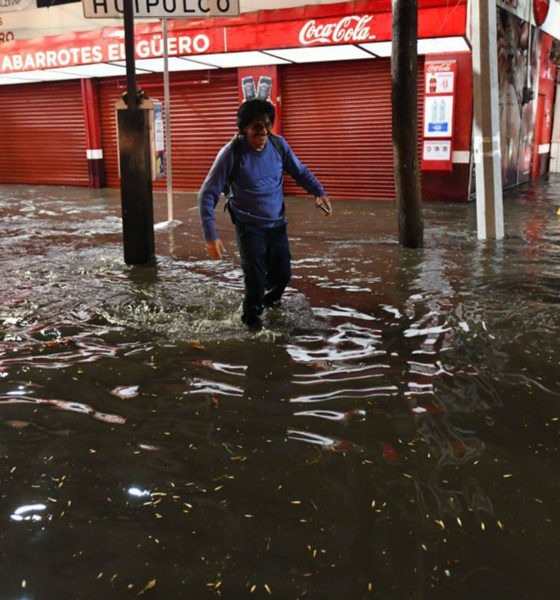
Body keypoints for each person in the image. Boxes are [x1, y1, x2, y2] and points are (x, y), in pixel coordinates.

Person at [198, 99, 332, 330]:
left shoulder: (278, 145)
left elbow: (299, 171)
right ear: (244, 129)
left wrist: (318, 192)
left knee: (283, 274)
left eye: (267, 126)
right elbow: (207, 194)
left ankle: (267, 305)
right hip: (248, 225)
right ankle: (251, 324)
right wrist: (211, 236)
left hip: (277, 223)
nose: (262, 133)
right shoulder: (231, 153)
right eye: (256, 128)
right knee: (255, 280)